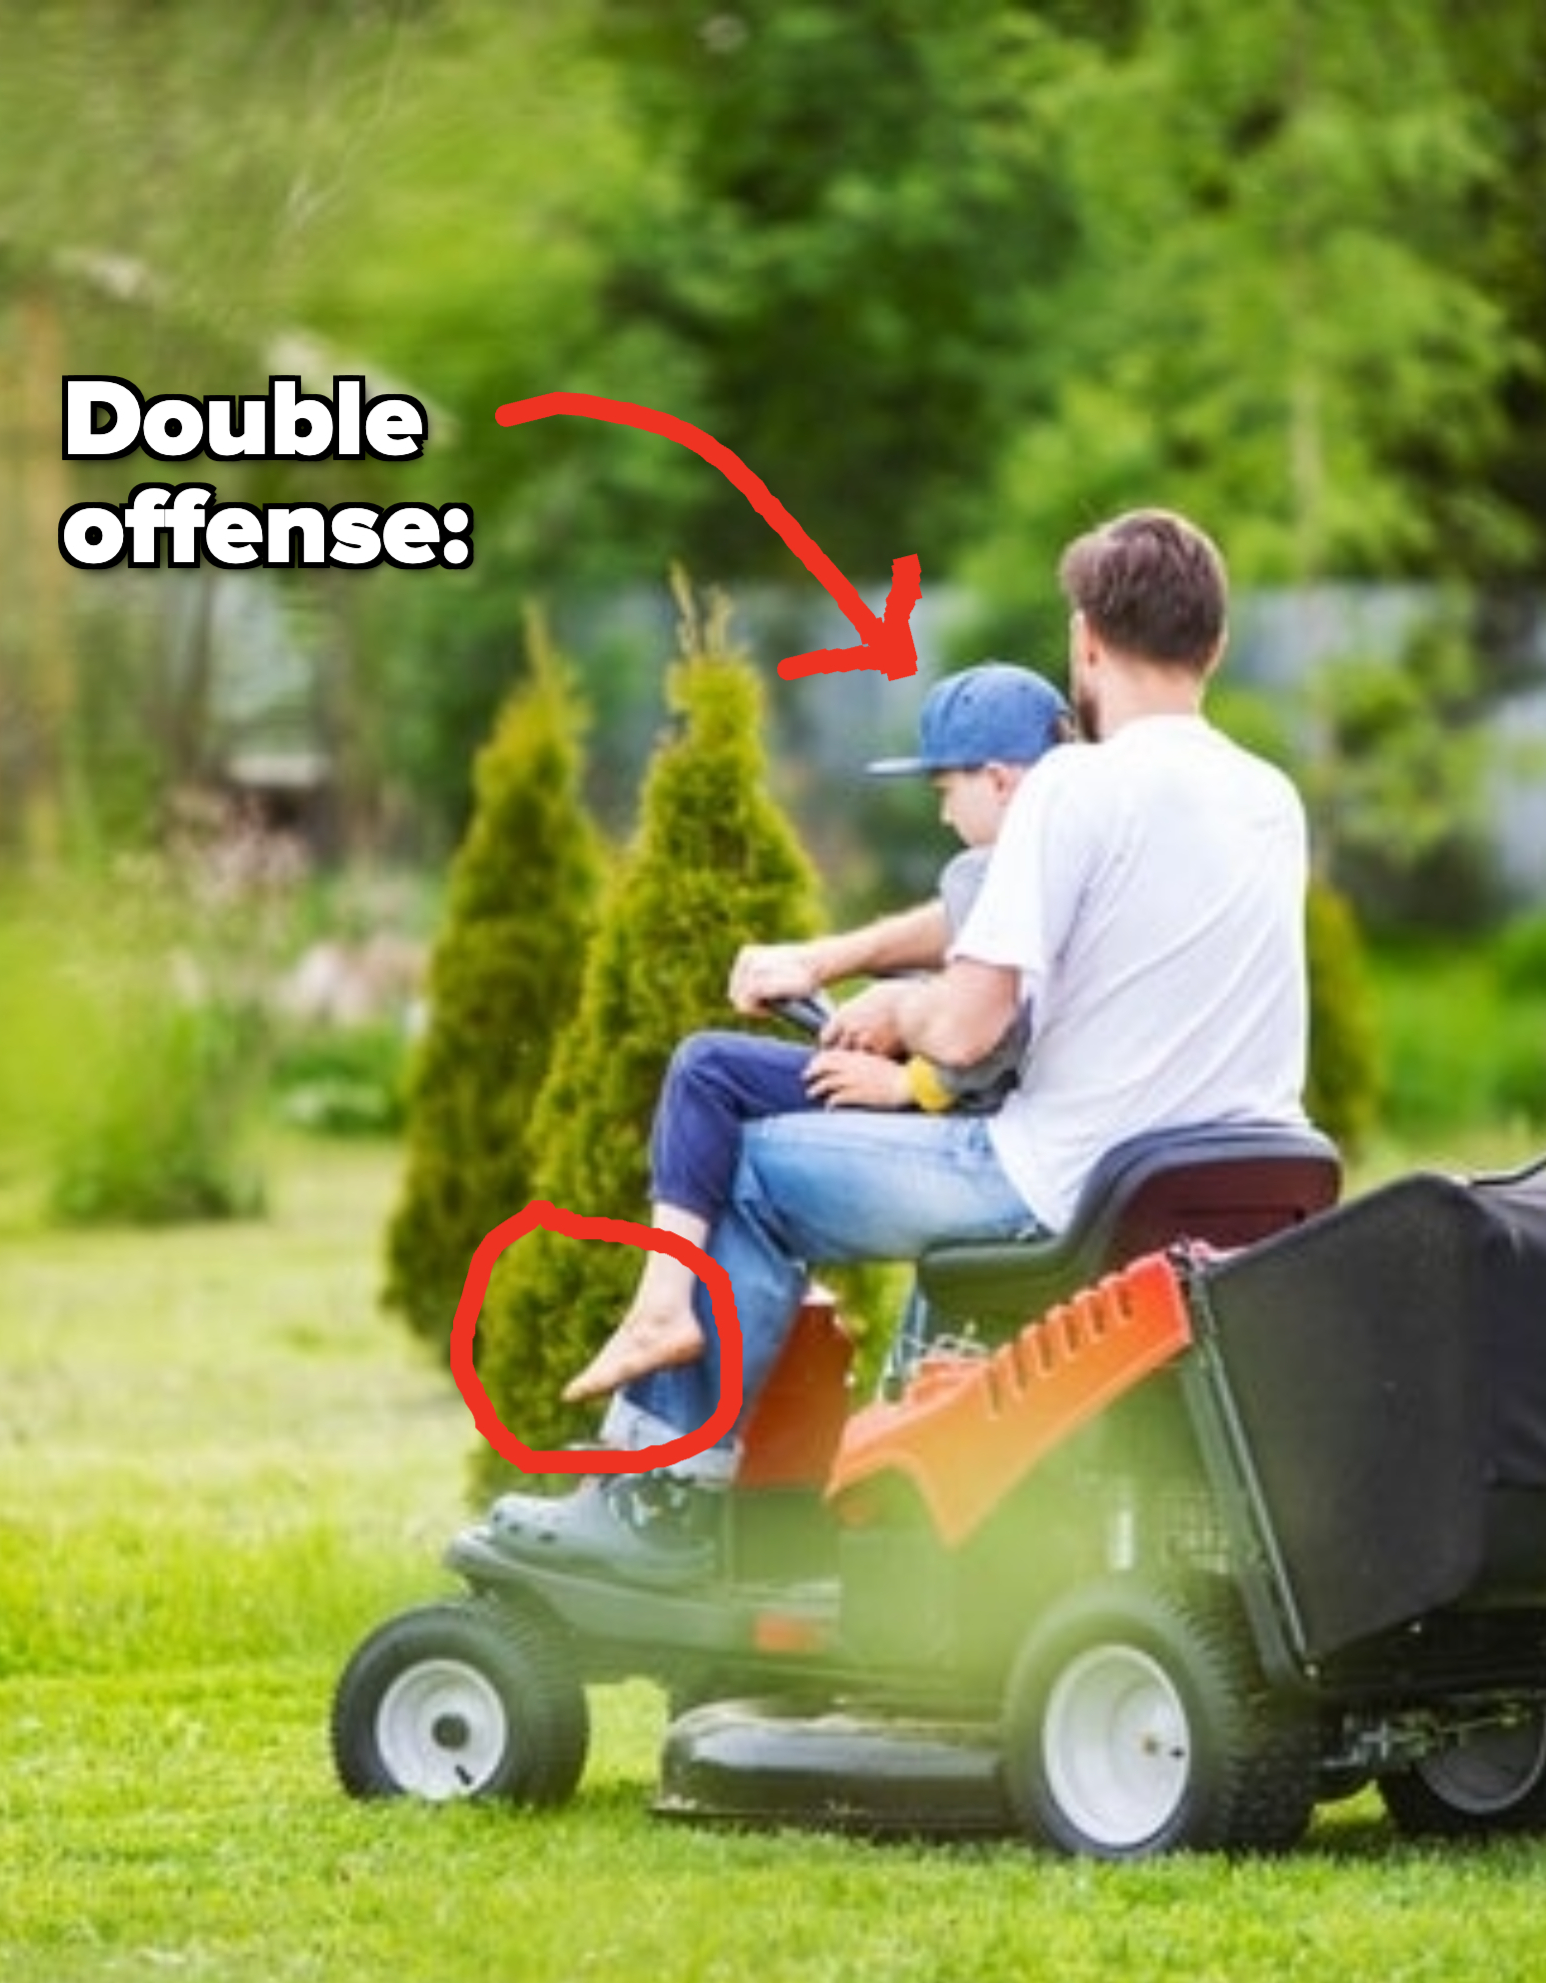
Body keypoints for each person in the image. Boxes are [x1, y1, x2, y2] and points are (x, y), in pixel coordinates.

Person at [492, 508, 1311, 1581]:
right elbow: (1021, 935)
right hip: (1222, 1191)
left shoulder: (1075, 785)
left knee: (742, 1172)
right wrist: (868, 977)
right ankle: (877, 1500)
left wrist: (893, 1011)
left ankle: (659, 1500)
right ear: (1212, 644)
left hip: (1057, 1185)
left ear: (1084, 641)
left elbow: (968, 1021)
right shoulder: (1267, 797)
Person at [557, 662, 1071, 1407]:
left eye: (944, 791)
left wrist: (908, 1079)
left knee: (708, 1072)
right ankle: (668, 1318)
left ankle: (663, 1323)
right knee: (726, 1072)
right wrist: (856, 989)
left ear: (998, 780)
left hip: (977, 1126)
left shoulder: (993, 866)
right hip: (992, 1115)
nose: (942, 816)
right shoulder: (1077, 853)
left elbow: (991, 1030)